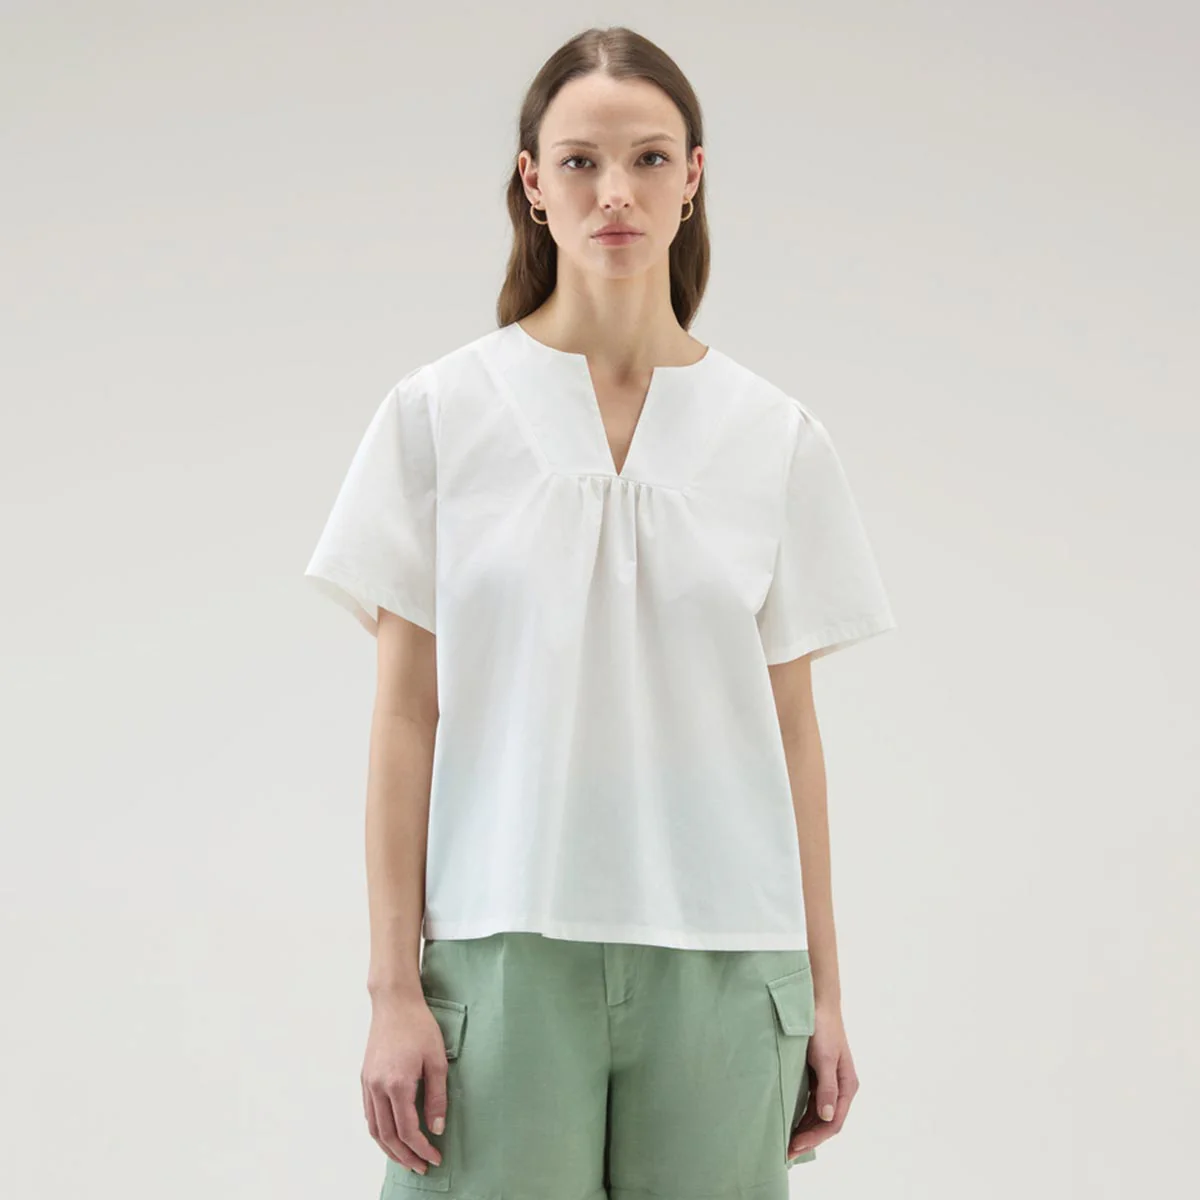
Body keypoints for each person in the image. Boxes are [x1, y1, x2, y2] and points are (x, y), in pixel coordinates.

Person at [303, 25, 897, 1200]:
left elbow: (792, 734)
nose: (614, 191)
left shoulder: (774, 439)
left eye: (648, 158)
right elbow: (407, 716)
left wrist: (826, 993)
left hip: (729, 959)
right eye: (580, 161)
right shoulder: (437, 417)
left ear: (693, 177)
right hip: (501, 948)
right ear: (533, 182)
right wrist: (391, 987)